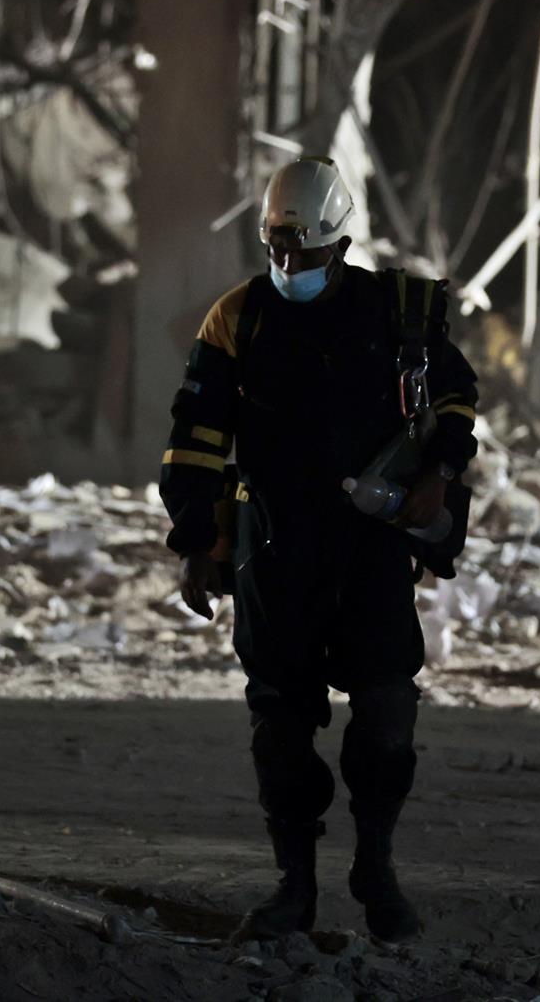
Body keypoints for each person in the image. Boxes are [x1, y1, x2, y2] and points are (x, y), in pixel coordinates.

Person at [158, 156, 479, 942]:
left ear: (338, 244)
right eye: (275, 245)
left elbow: (454, 398)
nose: (286, 264)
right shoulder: (237, 319)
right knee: (281, 725)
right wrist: (198, 541)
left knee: (387, 711)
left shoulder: (400, 310)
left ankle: (377, 865)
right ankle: (292, 885)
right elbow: (195, 440)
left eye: (302, 249)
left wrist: (438, 474)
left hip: (369, 546)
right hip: (274, 549)